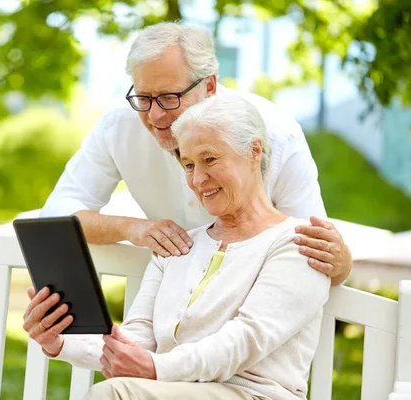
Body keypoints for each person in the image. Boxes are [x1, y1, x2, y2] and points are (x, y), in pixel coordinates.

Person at [24, 94, 331, 400]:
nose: (198, 179)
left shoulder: (300, 244)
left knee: (114, 393)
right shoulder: (181, 243)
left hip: (252, 394)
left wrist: (157, 369)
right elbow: (138, 337)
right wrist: (61, 340)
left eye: (210, 159)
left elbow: (245, 339)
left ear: (253, 150)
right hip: (170, 391)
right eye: (188, 164)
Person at [40, 22, 352, 285]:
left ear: (210, 86)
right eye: (144, 97)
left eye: (169, 97)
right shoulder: (117, 127)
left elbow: (318, 250)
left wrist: (341, 263)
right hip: (172, 315)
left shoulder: (277, 133)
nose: (155, 115)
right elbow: (54, 218)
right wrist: (132, 228)